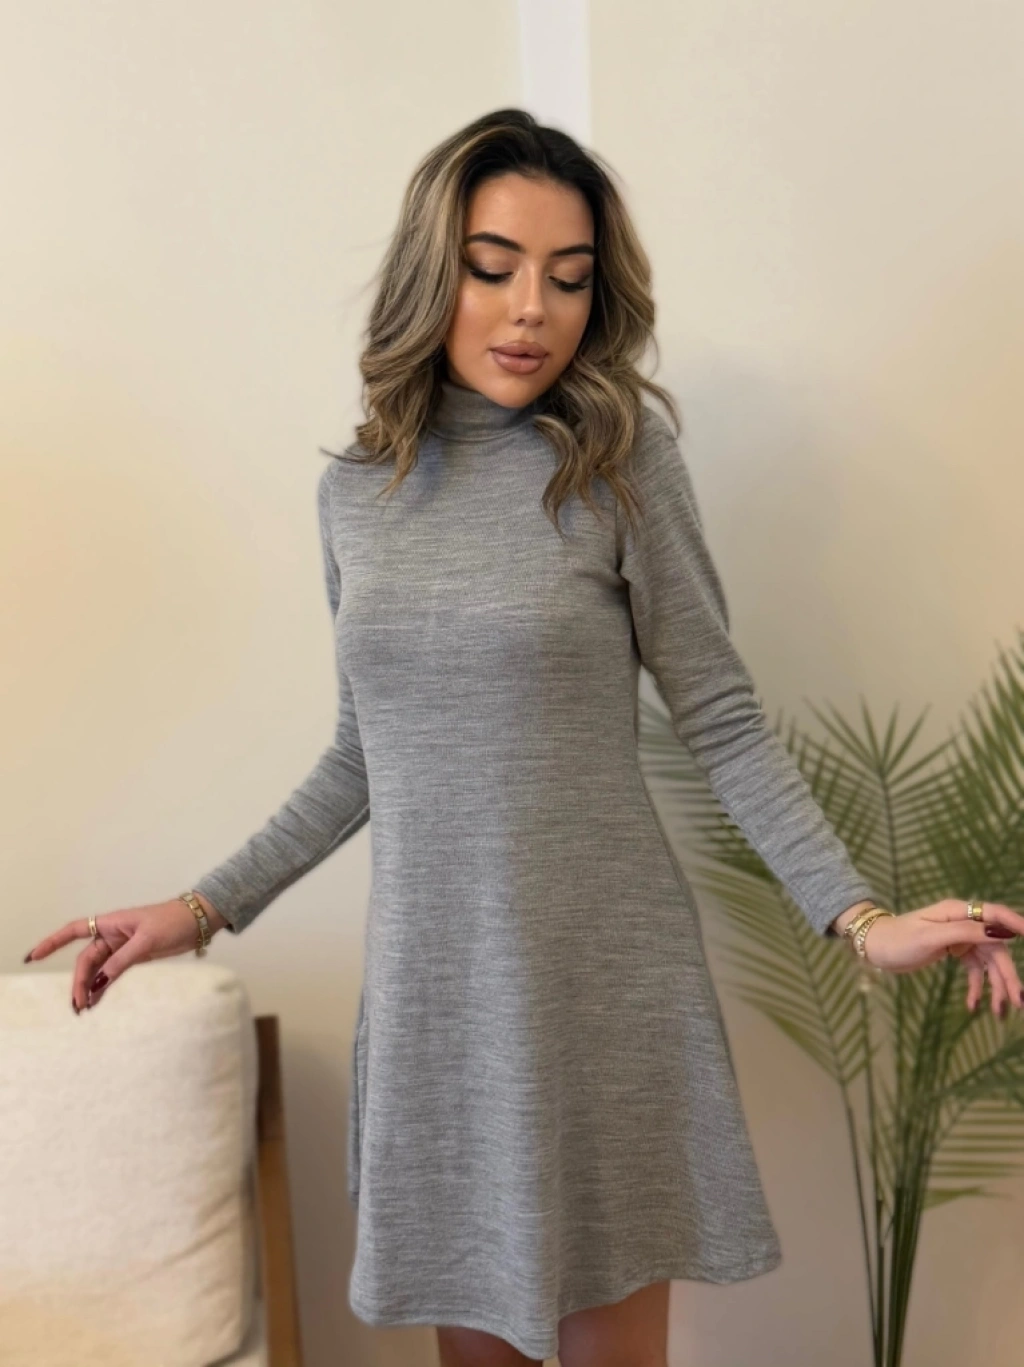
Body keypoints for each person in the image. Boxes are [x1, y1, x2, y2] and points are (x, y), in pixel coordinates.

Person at [24, 109, 1024, 1367]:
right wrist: (200, 906)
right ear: (429, 273)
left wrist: (861, 919)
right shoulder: (358, 492)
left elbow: (718, 715)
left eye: (568, 277)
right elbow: (364, 751)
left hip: (603, 983)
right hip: (439, 996)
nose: (531, 310)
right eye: (493, 268)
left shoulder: (617, 460)